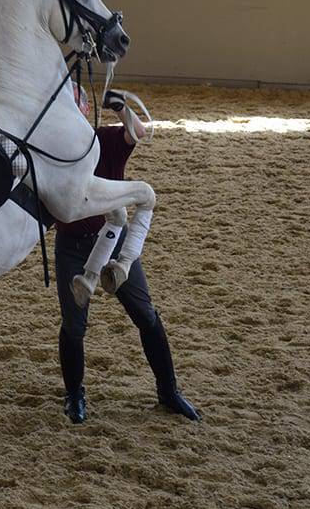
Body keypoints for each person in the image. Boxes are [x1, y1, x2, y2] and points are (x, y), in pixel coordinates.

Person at [54, 84, 200, 423]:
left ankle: (169, 391)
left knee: (145, 314)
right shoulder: (54, 153)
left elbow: (138, 132)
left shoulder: (106, 140)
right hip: (72, 247)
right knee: (74, 327)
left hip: (114, 242)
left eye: (76, 105)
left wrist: (120, 107)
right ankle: (74, 394)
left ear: (86, 110)